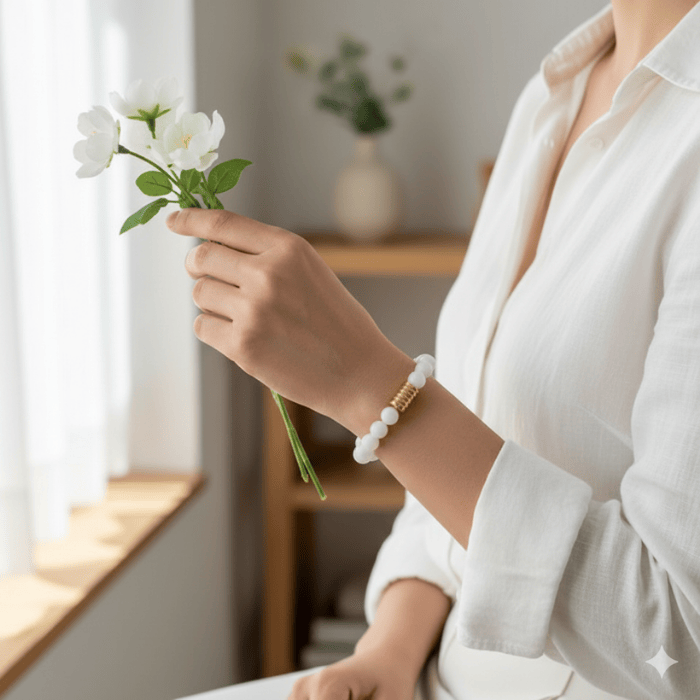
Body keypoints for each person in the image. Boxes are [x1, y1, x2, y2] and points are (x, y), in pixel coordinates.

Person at [167, 0, 700, 697]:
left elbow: (677, 643)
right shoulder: (555, 92)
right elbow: (471, 449)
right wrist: (388, 649)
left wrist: (372, 388)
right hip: (435, 669)